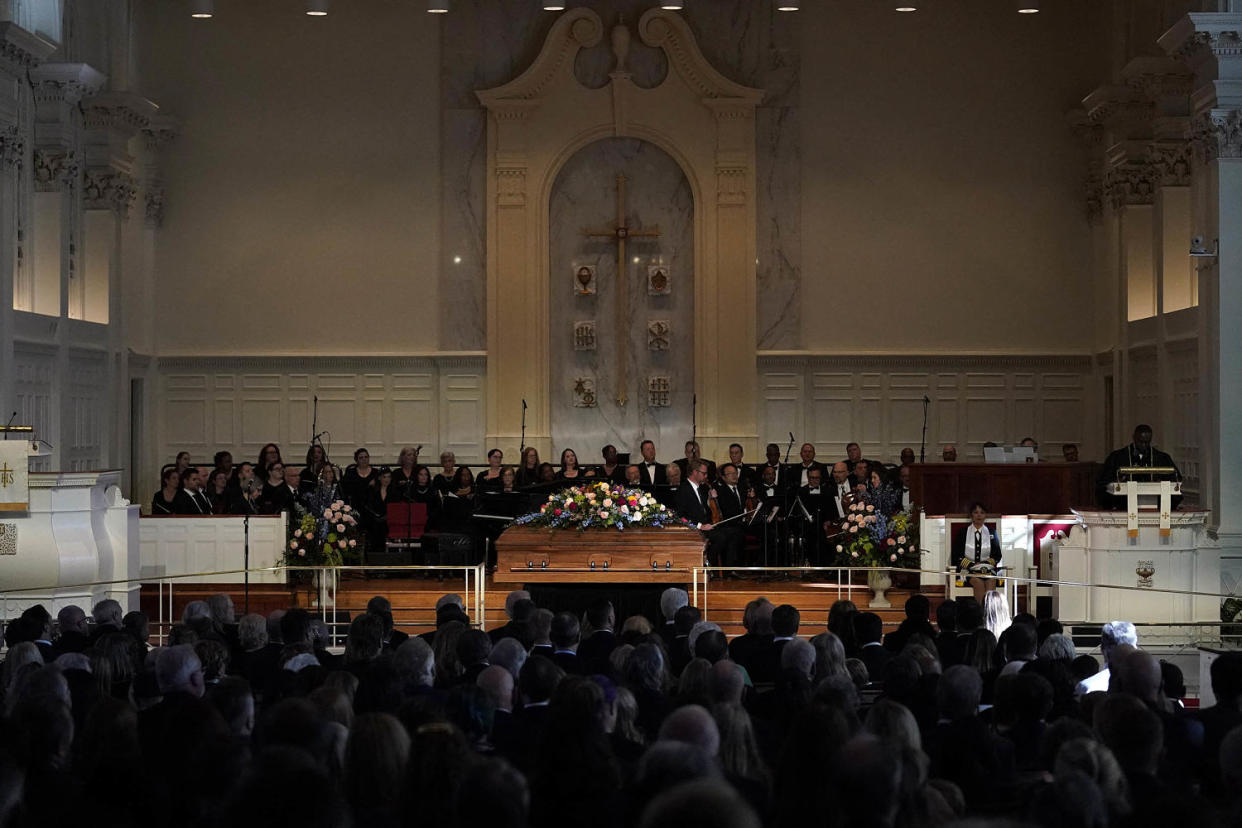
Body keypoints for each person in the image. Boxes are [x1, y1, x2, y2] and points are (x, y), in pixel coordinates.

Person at [1097, 424, 1181, 509]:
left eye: (1147, 442)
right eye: (1140, 442)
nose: (1144, 445)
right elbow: (1103, 482)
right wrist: (1118, 481)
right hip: (1124, 506)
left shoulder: (1161, 458)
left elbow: (1176, 480)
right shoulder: (1118, 457)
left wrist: (1161, 482)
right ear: (1134, 438)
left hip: (1154, 506)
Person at [953, 502, 1001, 603]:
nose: (979, 515)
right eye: (976, 512)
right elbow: (956, 555)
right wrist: (973, 565)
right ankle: (981, 615)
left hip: (987, 570)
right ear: (971, 515)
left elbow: (997, 555)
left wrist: (985, 564)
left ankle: (990, 614)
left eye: (982, 512)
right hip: (968, 570)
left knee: (991, 581)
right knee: (978, 582)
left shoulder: (992, 532)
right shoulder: (963, 533)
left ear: (985, 515)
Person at [676, 459, 715, 533]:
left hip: (708, 527)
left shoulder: (703, 488)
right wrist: (700, 526)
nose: (706, 476)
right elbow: (681, 516)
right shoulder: (683, 489)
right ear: (694, 472)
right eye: (704, 473)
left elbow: (705, 511)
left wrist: (710, 499)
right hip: (694, 530)